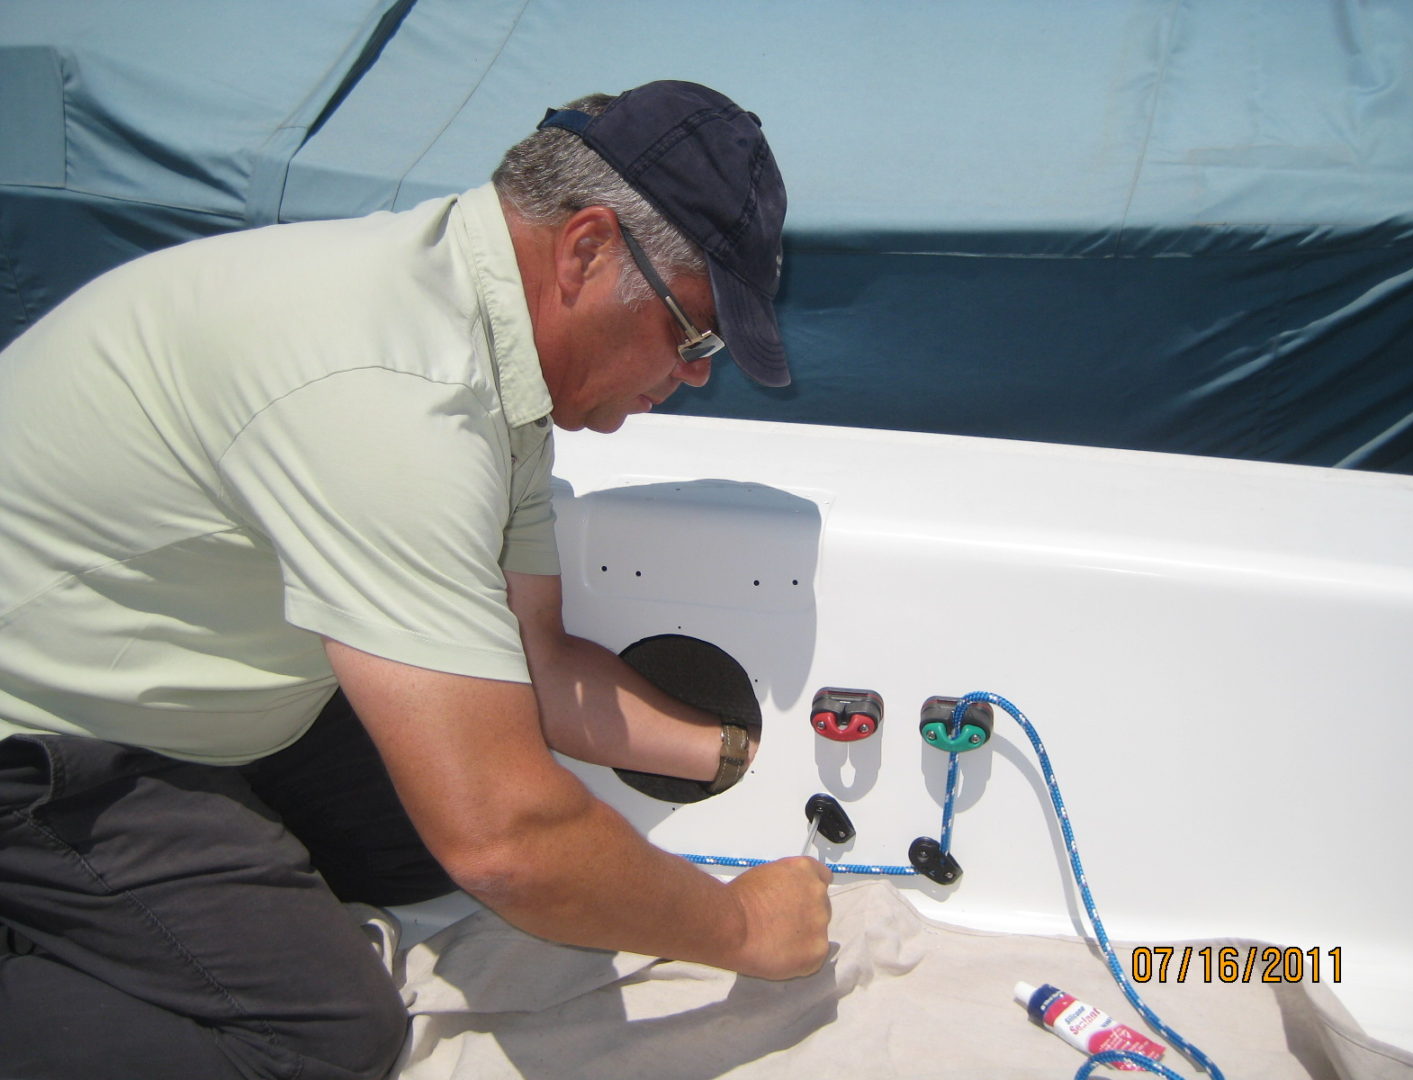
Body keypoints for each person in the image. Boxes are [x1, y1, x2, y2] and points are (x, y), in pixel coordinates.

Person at [0, 80, 832, 1080]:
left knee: (413, 856)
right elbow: (508, 845)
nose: (697, 375)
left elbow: (540, 659)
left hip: (198, 669)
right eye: (694, 335)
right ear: (587, 251)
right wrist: (740, 927)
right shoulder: (398, 395)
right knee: (320, 1041)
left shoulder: (492, 352)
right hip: (47, 733)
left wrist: (737, 759)